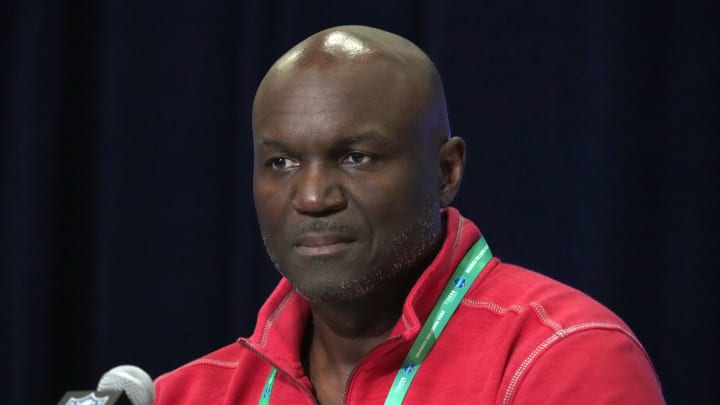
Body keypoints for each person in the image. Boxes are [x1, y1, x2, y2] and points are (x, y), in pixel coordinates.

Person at [154, 25, 664, 404]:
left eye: (356, 157)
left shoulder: (562, 357)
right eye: (281, 162)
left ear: (446, 172)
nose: (311, 197)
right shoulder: (189, 394)